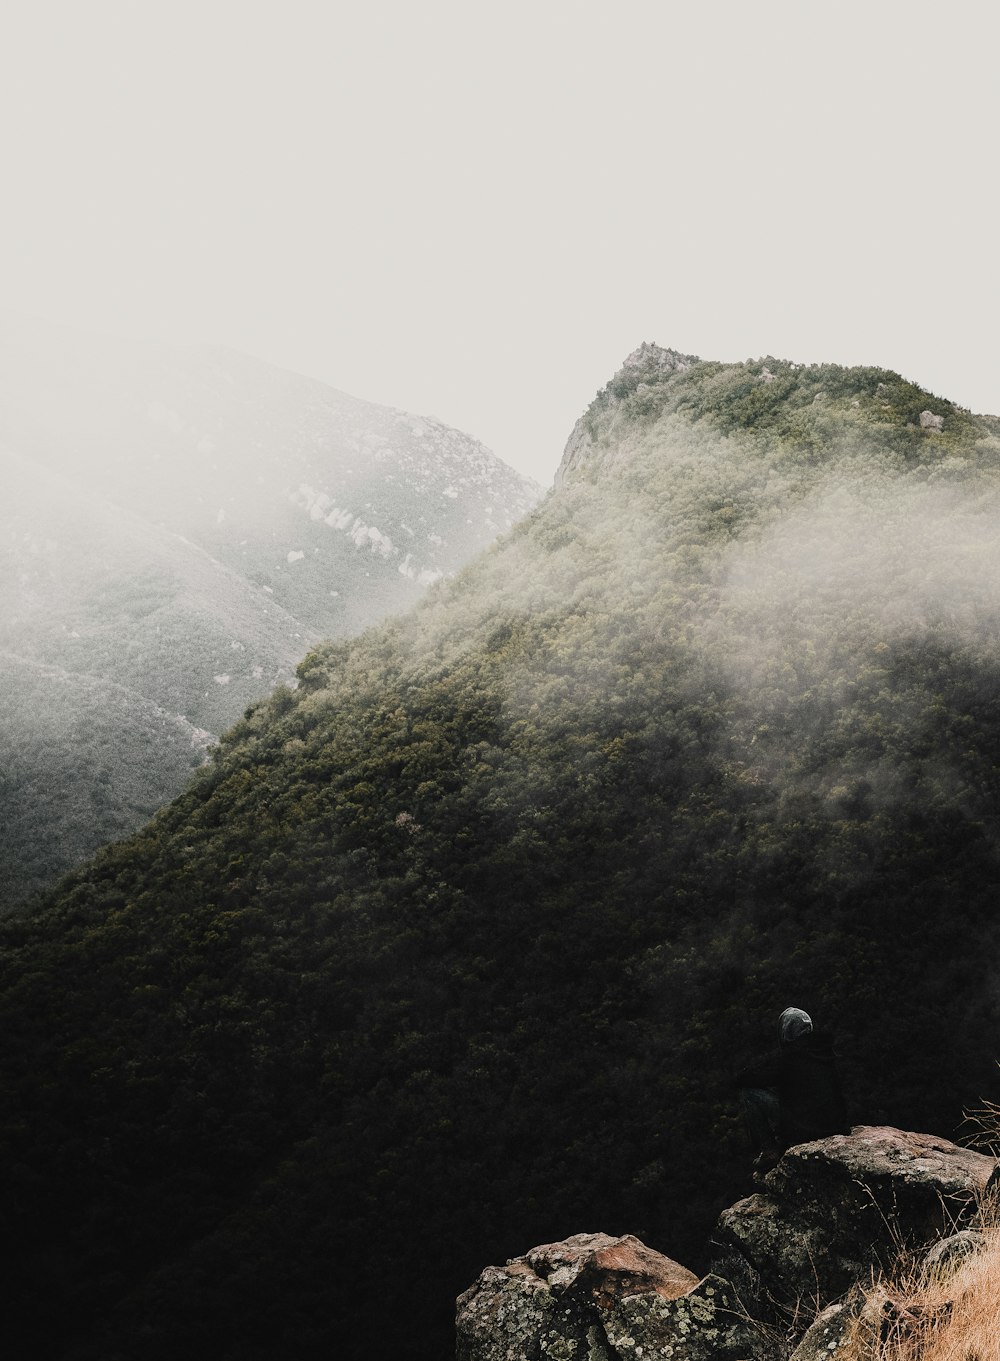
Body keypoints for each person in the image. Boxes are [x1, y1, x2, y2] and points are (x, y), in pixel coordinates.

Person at [735, 1006, 848, 1168]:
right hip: (834, 1128)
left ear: (786, 1031)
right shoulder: (827, 1054)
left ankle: (769, 1152)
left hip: (805, 1131)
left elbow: (749, 1079)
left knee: (749, 1094)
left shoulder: (789, 1057)